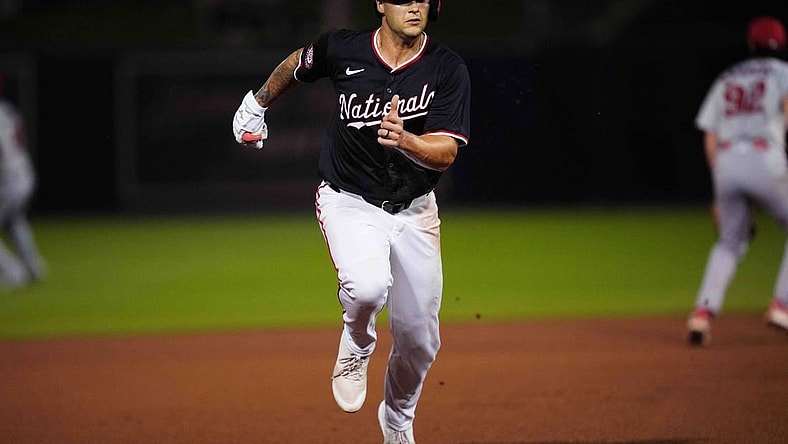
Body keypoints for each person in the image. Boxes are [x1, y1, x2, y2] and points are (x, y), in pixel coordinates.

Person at [231, 0, 470, 441]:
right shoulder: (344, 50)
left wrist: (407, 141)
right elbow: (298, 64)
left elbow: (447, 150)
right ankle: (357, 343)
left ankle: (397, 420)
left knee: (420, 343)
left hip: (415, 210)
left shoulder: (446, 68)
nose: (414, 7)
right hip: (349, 200)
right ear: (381, 4)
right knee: (367, 287)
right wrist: (256, 103)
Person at [687, 15, 788, 346]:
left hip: (726, 161)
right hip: (765, 155)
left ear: (750, 43)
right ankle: (782, 304)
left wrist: (720, 187)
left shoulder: (726, 78)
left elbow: (710, 135)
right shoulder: (783, 73)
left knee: (729, 244)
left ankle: (702, 315)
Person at [0, 71, 46, 290]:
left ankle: (13, 272)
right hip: (24, 174)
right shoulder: (7, 110)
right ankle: (33, 267)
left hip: (8, 180)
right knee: (14, 221)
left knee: (13, 219)